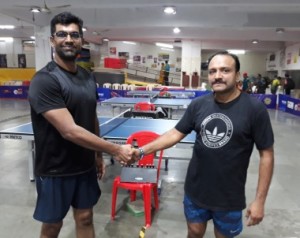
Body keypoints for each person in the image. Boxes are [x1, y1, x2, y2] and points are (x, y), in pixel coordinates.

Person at [130, 51, 274, 238]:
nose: (218, 76)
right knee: (194, 232)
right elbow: (175, 133)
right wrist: (141, 151)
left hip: (229, 196)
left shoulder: (255, 110)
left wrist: (260, 201)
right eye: (213, 71)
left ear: (237, 75)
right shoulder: (198, 105)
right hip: (195, 190)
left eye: (225, 70)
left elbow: (267, 155)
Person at [28, 12, 132, 238]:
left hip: (83, 166)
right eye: (62, 34)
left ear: (82, 41)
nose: (68, 39)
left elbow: (90, 116)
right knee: (52, 226)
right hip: (55, 169)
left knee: (85, 218)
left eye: (74, 35)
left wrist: (96, 155)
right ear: (52, 40)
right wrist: (115, 149)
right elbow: (69, 130)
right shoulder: (45, 80)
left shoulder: (87, 77)